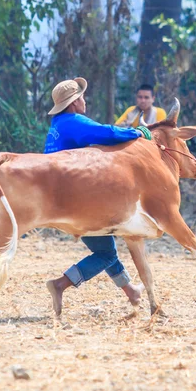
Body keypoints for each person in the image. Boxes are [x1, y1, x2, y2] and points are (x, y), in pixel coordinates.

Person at [44, 77, 149, 316]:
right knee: (105, 254)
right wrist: (137, 133)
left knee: (106, 248)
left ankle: (131, 291)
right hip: (76, 200)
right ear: (72, 103)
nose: (84, 100)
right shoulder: (73, 120)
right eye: (81, 97)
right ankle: (60, 284)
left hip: (62, 198)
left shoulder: (58, 124)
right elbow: (106, 132)